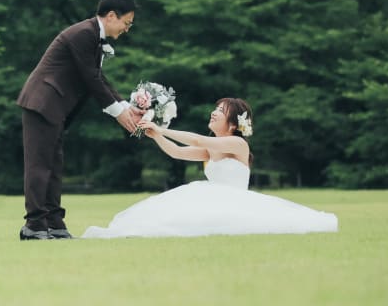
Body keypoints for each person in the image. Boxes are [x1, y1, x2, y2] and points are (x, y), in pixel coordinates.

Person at [81, 98, 338, 238]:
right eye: (215, 109)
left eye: (221, 111)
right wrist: (157, 137)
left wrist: (163, 129)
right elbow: (179, 152)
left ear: (234, 122)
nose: (214, 113)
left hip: (234, 200)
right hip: (211, 195)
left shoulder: (237, 144)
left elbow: (197, 140)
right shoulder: (214, 146)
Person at [17, 0, 144, 240]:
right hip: (42, 103)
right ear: (110, 16)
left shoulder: (92, 36)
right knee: (40, 166)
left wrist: (126, 106)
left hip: (55, 108)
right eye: (126, 23)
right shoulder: (83, 34)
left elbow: (99, 78)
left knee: (54, 165)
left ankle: (54, 223)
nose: (127, 29)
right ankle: (34, 225)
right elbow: (91, 79)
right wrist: (118, 114)